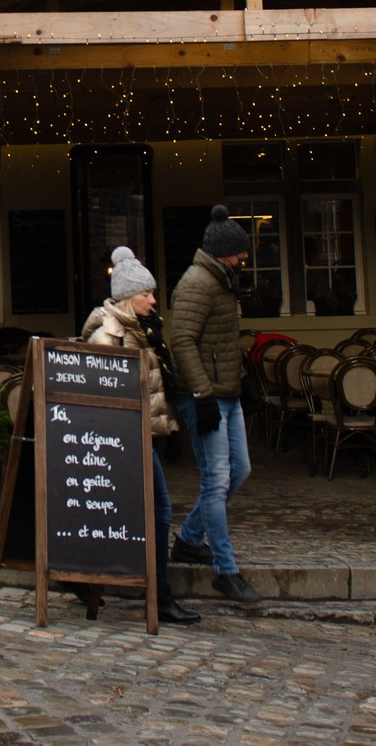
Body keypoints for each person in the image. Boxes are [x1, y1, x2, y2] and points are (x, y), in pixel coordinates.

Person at [84, 247, 198, 626]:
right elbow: (101, 397)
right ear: (128, 297)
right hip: (123, 440)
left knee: (152, 511)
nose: (153, 299)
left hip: (141, 436)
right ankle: (157, 594)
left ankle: (152, 591)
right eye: (146, 293)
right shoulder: (109, 335)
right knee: (157, 510)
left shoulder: (145, 331)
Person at [166, 205, 260, 603]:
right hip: (205, 397)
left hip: (226, 392)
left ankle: (188, 539)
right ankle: (225, 569)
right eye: (240, 251)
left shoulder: (221, 280)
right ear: (224, 252)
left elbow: (220, 341)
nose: (244, 258)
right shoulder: (196, 284)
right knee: (216, 480)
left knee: (240, 470)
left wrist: (240, 380)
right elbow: (182, 341)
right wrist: (203, 394)